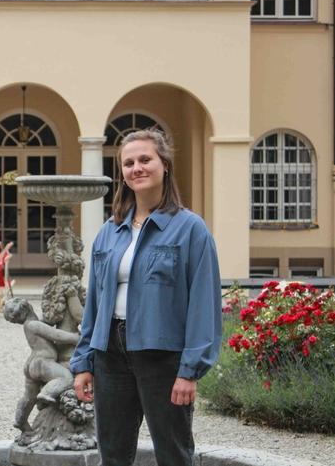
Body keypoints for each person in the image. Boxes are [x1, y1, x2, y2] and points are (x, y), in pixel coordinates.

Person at [70, 128, 221, 466]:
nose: (136, 168)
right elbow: (94, 301)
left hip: (162, 357)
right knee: (112, 455)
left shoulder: (190, 229)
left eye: (144, 159)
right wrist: (83, 362)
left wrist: (190, 371)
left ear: (164, 164)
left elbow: (203, 304)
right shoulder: (109, 231)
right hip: (110, 354)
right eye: (128, 163)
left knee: (174, 454)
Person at [3, 297, 80, 432]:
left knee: (29, 396)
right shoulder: (34, 325)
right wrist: (75, 338)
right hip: (43, 362)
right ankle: (46, 393)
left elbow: (48, 327)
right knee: (66, 378)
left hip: (31, 365)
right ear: (27, 308)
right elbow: (56, 335)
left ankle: (20, 420)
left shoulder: (31, 325)